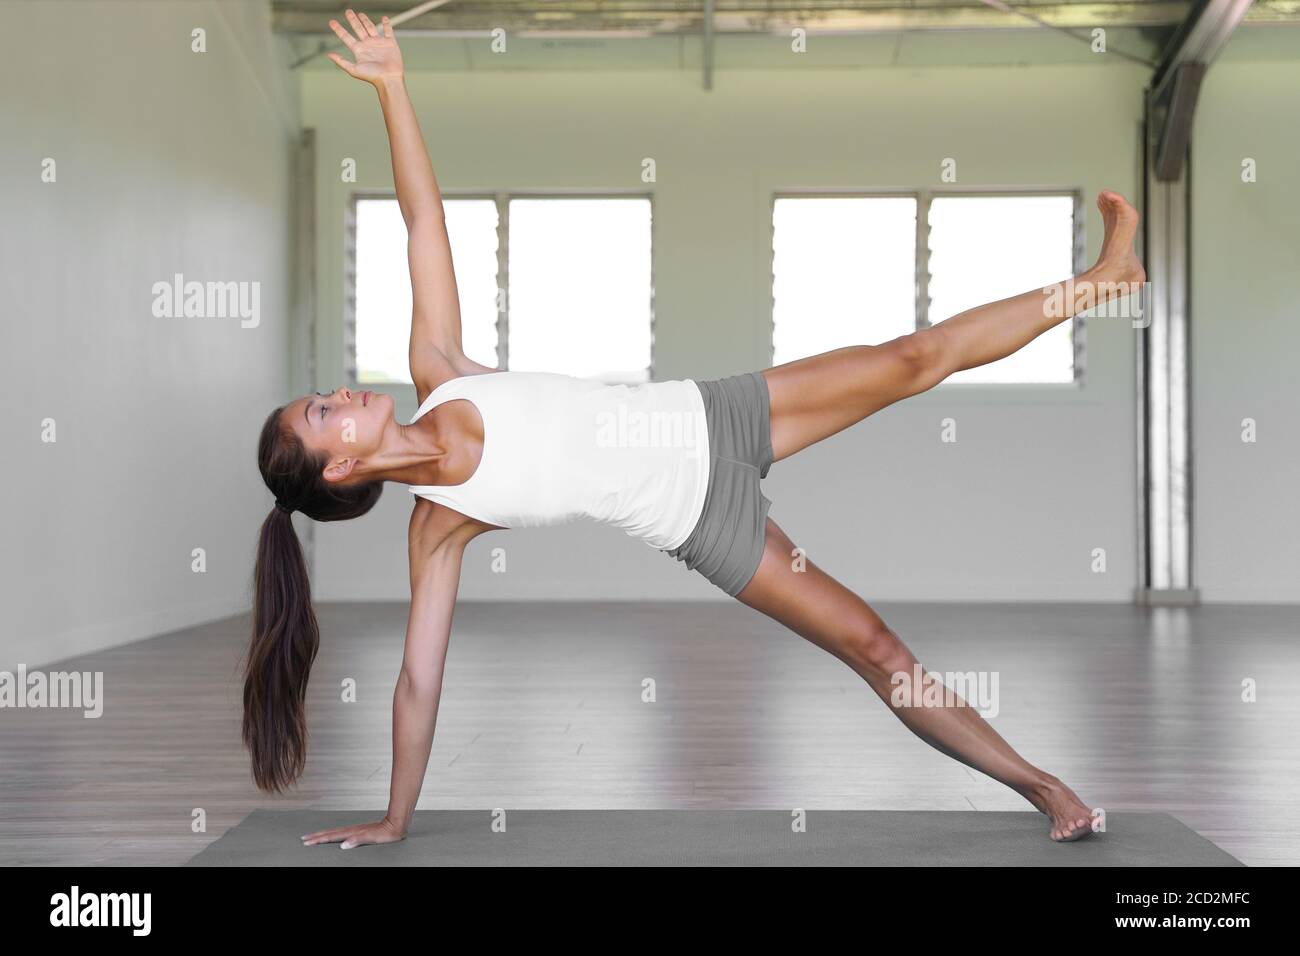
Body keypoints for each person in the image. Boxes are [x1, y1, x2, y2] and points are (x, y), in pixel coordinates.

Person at [246, 10, 1145, 848]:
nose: (337, 394)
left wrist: (394, 88)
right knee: (875, 648)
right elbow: (416, 683)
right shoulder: (438, 529)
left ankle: (1102, 278)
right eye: (323, 414)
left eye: (324, 396)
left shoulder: (438, 369)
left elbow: (422, 221)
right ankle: (1044, 787)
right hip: (705, 525)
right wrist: (398, 818)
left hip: (713, 413)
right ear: (340, 470)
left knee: (914, 357)